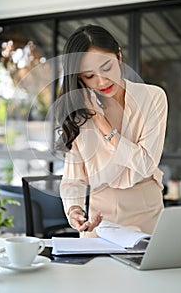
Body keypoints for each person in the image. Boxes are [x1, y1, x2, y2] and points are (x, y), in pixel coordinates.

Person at [55, 24, 168, 237]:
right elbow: (73, 180)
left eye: (107, 67)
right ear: (79, 78)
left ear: (118, 55)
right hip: (100, 219)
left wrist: (101, 121)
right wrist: (75, 211)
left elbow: (145, 165)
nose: (102, 81)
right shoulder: (79, 116)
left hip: (147, 212)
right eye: (89, 76)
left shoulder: (153, 98)